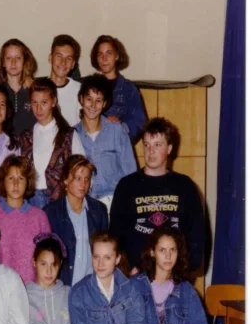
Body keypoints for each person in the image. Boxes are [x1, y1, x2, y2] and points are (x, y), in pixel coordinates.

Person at [110, 117, 205, 275]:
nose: (151, 151)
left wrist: (183, 271)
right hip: (136, 276)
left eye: (157, 145)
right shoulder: (126, 186)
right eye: (146, 145)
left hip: (174, 276)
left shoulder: (185, 186)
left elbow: (196, 235)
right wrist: (129, 270)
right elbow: (116, 236)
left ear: (169, 148)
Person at [73, 74, 136, 211]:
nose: (93, 105)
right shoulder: (73, 135)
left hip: (115, 201)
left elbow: (130, 173)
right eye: (89, 99)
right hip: (85, 203)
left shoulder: (117, 130)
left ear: (105, 103)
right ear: (81, 99)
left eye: (98, 100)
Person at [20, 78, 85, 208]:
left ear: (54, 101)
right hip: (30, 202)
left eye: (44, 102)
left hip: (59, 202)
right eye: (34, 102)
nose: (38, 108)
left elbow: (82, 170)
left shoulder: (69, 135)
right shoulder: (25, 137)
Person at [44, 155, 108, 286]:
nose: (83, 184)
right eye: (78, 178)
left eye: (87, 179)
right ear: (66, 180)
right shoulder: (51, 212)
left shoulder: (99, 210)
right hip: (63, 285)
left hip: (92, 286)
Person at [0, 155, 51, 282]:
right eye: (11, 178)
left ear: (28, 182)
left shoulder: (39, 217)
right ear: (3, 182)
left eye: (21, 178)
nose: (15, 184)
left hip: (31, 289)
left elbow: (46, 258)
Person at [90, 35, 147, 142]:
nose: (104, 58)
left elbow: (139, 122)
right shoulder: (89, 86)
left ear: (116, 56)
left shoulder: (129, 89)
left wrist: (120, 126)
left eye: (109, 53)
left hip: (118, 145)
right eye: (100, 54)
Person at [0, 39, 37, 135]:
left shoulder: (35, 90)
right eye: (9, 58)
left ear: (24, 61)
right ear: (3, 62)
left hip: (31, 142)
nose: (13, 62)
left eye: (18, 58)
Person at [48, 35, 82, 127]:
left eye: (68, 58)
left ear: (73, 64)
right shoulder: (39, 88)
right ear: (50, 58)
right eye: (59, 56)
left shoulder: (81, 90)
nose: (63, 62)